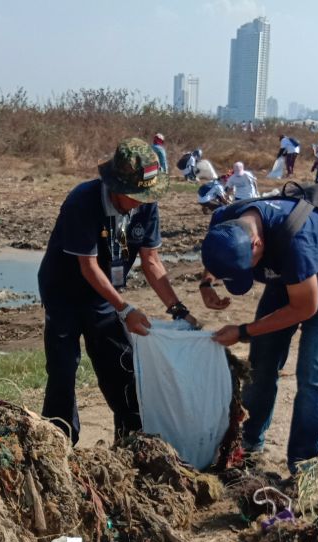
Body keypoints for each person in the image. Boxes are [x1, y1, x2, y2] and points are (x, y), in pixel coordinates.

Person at [37, 138, 196, 444]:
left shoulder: (146, 206)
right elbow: (88, 267)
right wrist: (125, 309)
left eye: (146, 195)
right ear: (116, 185)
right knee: (63, 370)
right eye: (136, 194)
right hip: (64, 292)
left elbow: (152, 261)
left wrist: (178, 310)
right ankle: (58, 444)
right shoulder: (82, 201)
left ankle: (131, 442)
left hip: (104, 295)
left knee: (120, 366)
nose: (142, 201)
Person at [197, 195, 318, 475]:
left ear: (256, 244)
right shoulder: (225, 220)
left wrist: (244, 331)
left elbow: (305, 307)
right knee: (260, 365)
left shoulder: (297, 240)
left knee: (313, 373)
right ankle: (247, 446)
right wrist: (207, 282)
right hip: (284, 274)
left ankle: (304, 464)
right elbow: (216, 254)